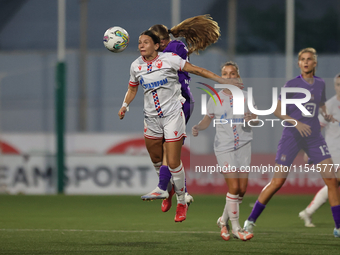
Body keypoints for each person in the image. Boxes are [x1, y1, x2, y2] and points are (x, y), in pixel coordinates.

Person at [118, 30, 239, 222]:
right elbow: (132, 88)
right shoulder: (136, 66)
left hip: (173, 115)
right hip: (150, 119)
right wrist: (125, 105)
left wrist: (222, 80)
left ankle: (182, 200)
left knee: (173, 162)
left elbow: (197, 70)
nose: (141, 45)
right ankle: (167, 190)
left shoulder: (170, 59)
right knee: (157, 159)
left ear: (156, 45)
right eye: (140, 42)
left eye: (146, 42)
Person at [243, 48, 340, 238]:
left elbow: (319, 103)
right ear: (298, 64)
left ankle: (338, 227)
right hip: (292, 136)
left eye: (309, 59)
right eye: (302, 59)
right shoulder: (292, 84)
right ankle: (250, 220)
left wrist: (325, 113)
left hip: (313, 138)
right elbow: (277, 110)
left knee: (332, 181)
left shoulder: (320, 83)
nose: (305, 62)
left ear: (315, 63)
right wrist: (297, 122)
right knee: (277, 182)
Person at [147, 15, 221, 212]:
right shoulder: (161, 52)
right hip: (163, 105)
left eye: (156, 43)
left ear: (162, 41)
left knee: (168, 149)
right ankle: (176, 192)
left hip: (181, 102)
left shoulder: (175, 48)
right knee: (165, 152)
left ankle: (167, 188)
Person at [192, 61, 258, 241]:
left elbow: (255, 119)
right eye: (225, 74)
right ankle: (236, 228)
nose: (229, 76)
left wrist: (251, 119)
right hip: (224, 146)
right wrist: (199, 126)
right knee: (234, 187)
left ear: (237, 76)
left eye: (232, 73)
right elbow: (207, 119)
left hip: (244, 144)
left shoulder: (246, 96)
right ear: (221, 78)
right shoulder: (214, 97)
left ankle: (223, 220)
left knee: (242, 190)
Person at [299, 73, 340, 228]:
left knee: (333, 185)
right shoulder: (329, 106)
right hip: (332, 152)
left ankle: (308, 212)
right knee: (333, 184)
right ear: (334, 86)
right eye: (338, 84)